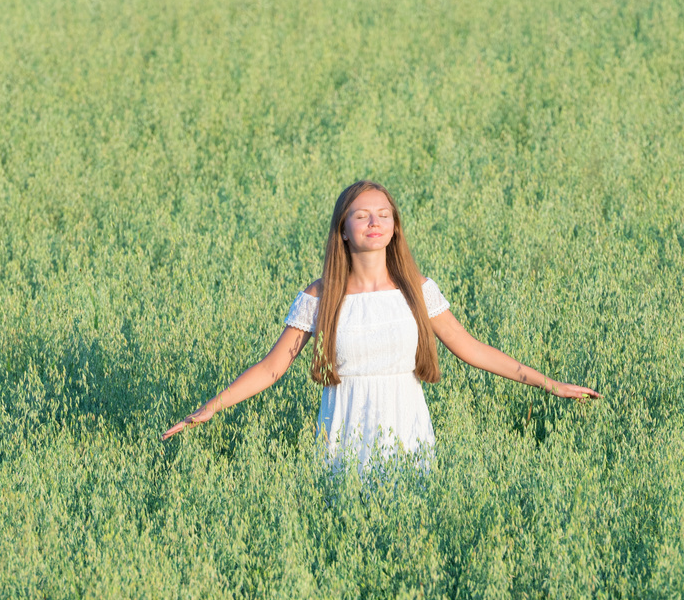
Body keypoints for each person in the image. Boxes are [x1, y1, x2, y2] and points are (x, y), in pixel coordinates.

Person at [160, 180, 601, 472]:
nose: (375, 222)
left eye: (384, 214)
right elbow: (271, 368)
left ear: (394, 228)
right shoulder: (320, 297)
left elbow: (471, 349)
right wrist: (212, 407)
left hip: (407, 432)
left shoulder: (418, 289)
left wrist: (550, 384)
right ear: (343, 229)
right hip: (342, 435)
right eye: (362, 215)